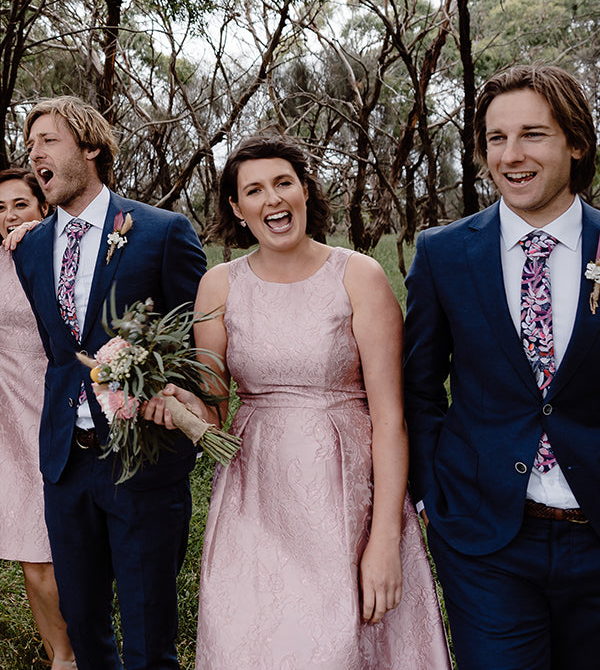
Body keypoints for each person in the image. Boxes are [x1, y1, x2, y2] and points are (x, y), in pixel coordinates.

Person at [145, 133, 451, 669]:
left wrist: (384, 541)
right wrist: (172, 402)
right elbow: (214, 409)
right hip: (253, 492)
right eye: (255, 191)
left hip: (346, 493)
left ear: (306, 190)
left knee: (336, 646)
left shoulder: (360, 275)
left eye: (284, 182)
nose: (273, 200)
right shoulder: (219, 285)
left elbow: (390, 416)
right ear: (238, 210)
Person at [404, 63, 600, 670]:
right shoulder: (443, 253)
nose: (511, 155)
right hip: (486, 539)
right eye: (496, 138)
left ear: (576, 142)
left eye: (533, 135)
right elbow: (418, 386)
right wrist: (435, 493)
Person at [5, 96, 207, 670]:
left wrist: (166, 392)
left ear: (90, 148)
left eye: (48, 140)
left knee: (149, 642)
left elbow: (196, 344)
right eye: (30, 144)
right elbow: (49, 349)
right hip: (66, 468)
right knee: (87, 633)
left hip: (142, 465)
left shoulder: (161, 231)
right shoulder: (32, 248)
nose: (33, 153)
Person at [0, 167, 76, 669]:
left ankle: (72, 651)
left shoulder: (58, 256)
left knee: (53, 553)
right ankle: (61, 657)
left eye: (19, 205)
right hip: (6, 417)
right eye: (0, 209)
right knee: (33, 555)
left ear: (44, 206)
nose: (8, 217)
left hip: (48, 411)